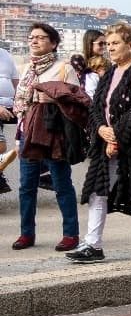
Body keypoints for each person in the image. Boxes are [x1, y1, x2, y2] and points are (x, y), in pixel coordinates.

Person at [71, 22, 131, 264]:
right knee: (97, 192)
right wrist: (102, 129)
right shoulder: (110, 72)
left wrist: (116, 138)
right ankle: (93, 245)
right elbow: (97, 107)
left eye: (115, 43)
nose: (110, 48)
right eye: (108, 43)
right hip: (107, 144)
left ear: (130, 45)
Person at [11, 24, 85, 251]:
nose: (34, 41)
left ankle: (71, 234)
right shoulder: (26, 68)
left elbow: (78, 101)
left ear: (53, 43)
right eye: (31, 37)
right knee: (26, 187)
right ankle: (26, 234)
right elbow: (21, 105)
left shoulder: (64, 69)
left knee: (62, 184)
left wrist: (53, 100)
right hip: (27, 133)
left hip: (53, 134)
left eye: (40, 38)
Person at [0, 45, 18, 194]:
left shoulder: (5, 54)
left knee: (37, 116)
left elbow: (16, 83)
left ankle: (43, 171)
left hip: (10, 105)